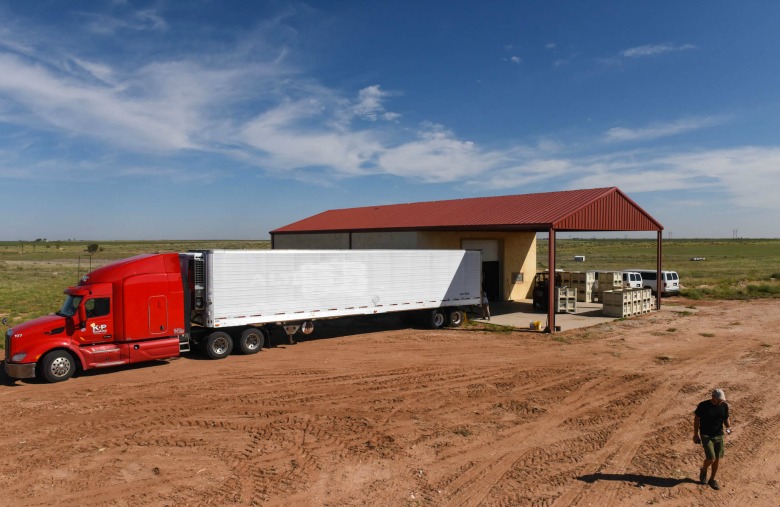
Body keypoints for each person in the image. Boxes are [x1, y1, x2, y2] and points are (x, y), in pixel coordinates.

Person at [693, 388, 732, 490]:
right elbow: (697, 419)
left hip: (719, 435)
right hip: (706, 435)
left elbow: (726, 418)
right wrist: (695, 434)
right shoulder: (703, 406)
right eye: (719, 400)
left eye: (721, 400)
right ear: (713, 397)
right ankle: (704, 469)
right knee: (711, 457)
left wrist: (728, 428)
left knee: (717, 459)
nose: (720, 401)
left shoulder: (724, 406)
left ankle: (712, 480)